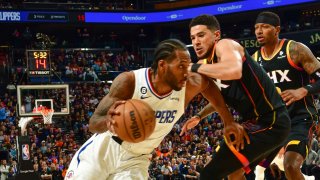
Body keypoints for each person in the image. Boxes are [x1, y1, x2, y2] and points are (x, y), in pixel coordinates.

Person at [65, 39, 237, 180]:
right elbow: (93, 124)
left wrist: (228, 121)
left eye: (188, 66)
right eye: (181, 66)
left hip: (136, 159)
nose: (186, 72)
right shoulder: (130, 82)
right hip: (104, 150)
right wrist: (109, 122)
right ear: (162, 65)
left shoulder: (190, 84)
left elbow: (209, 86)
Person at [181, 14, 291, 179]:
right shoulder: (207, 66)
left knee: (208, 175)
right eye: (193, 37)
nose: (196, 42)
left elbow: (233, 70)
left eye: (201, 35)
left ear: (216, 35)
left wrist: (193, 67)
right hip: (255, 123)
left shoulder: (226, 45)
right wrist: (201, 116)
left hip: (272, 121)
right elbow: (216, 95)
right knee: (234, 174)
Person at [252, 11, 320, 180]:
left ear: (277, 30)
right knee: (253, 168)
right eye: (256, 28)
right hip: (275, 124)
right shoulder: (254, 60)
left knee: (290, 165)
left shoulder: (295, 50)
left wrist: (303, 90)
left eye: (265, 27)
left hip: (300, 118)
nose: (259, 31)